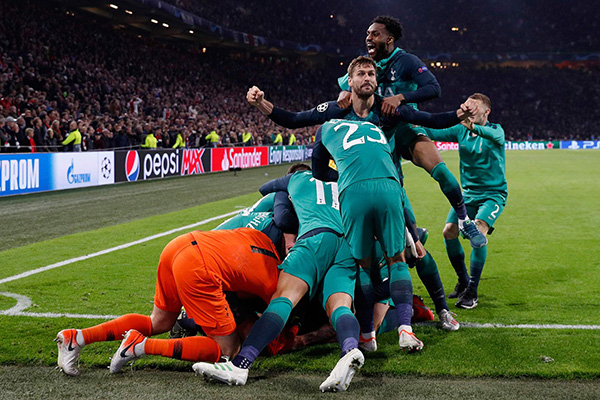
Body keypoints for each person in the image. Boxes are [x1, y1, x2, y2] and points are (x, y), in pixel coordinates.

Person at [194, 165, 364, 392]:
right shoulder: (341, 183)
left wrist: (290, 187)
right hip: (346, 245)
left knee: (283, 298)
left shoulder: (297, 177)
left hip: (315, 237)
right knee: (340, 307)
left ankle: (240, 366)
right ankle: (350, 349)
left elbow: (266, 188)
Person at [337, 15, 486, 249]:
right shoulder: (366, 66)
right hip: (378, 136)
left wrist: (401, 97)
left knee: (440, 170)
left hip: (407, 125)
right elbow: (345, 88)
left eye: (375, 33)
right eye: (367, 33)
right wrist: (343, 93)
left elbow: (433, 88)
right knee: (394, 191)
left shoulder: (405, 61)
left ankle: (465, 221)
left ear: (389, 38)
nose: (369, 37)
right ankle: (414, 236)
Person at [55, 228, 282, 376]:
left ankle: (77, 338)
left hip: (177, 246)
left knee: (159, 321)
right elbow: (271, 328)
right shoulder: (276, 280)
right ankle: (140, 346)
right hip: (199, 265)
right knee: (228, 349)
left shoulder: (259, 236)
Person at [424, 93, 507, 309]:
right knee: (448, 231)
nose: (469, 112)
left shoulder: (496, 130)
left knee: (478, 232)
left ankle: (472, 291)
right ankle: (463, 280)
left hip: (492, 194)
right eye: (467, 108)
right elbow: (433, 130)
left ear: (486, 112)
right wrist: (412, 121)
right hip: (467, 195)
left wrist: (473, 127)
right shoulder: (461, 130)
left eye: (473, 109)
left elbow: (494, 136)